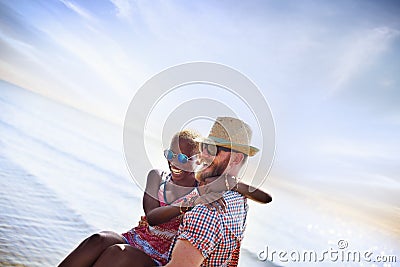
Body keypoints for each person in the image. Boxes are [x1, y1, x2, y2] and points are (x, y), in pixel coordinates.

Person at [58, 129, 271, 267]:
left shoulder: (203, 184)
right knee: (98, 240)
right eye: (170, 155)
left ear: (197, 159)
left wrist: (233, 183)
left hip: (162, 256)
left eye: (181, 157)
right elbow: (152, 217)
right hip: (139, 238)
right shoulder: (157, 177)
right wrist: (192, 202)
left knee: (117, 255)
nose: (174, 162)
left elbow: (265, 197)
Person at [164, 116, 261, 267]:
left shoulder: (207, 212)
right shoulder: (239, 200)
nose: (203, 154)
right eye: (204, 147)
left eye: (212, 149)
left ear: (236, 159)